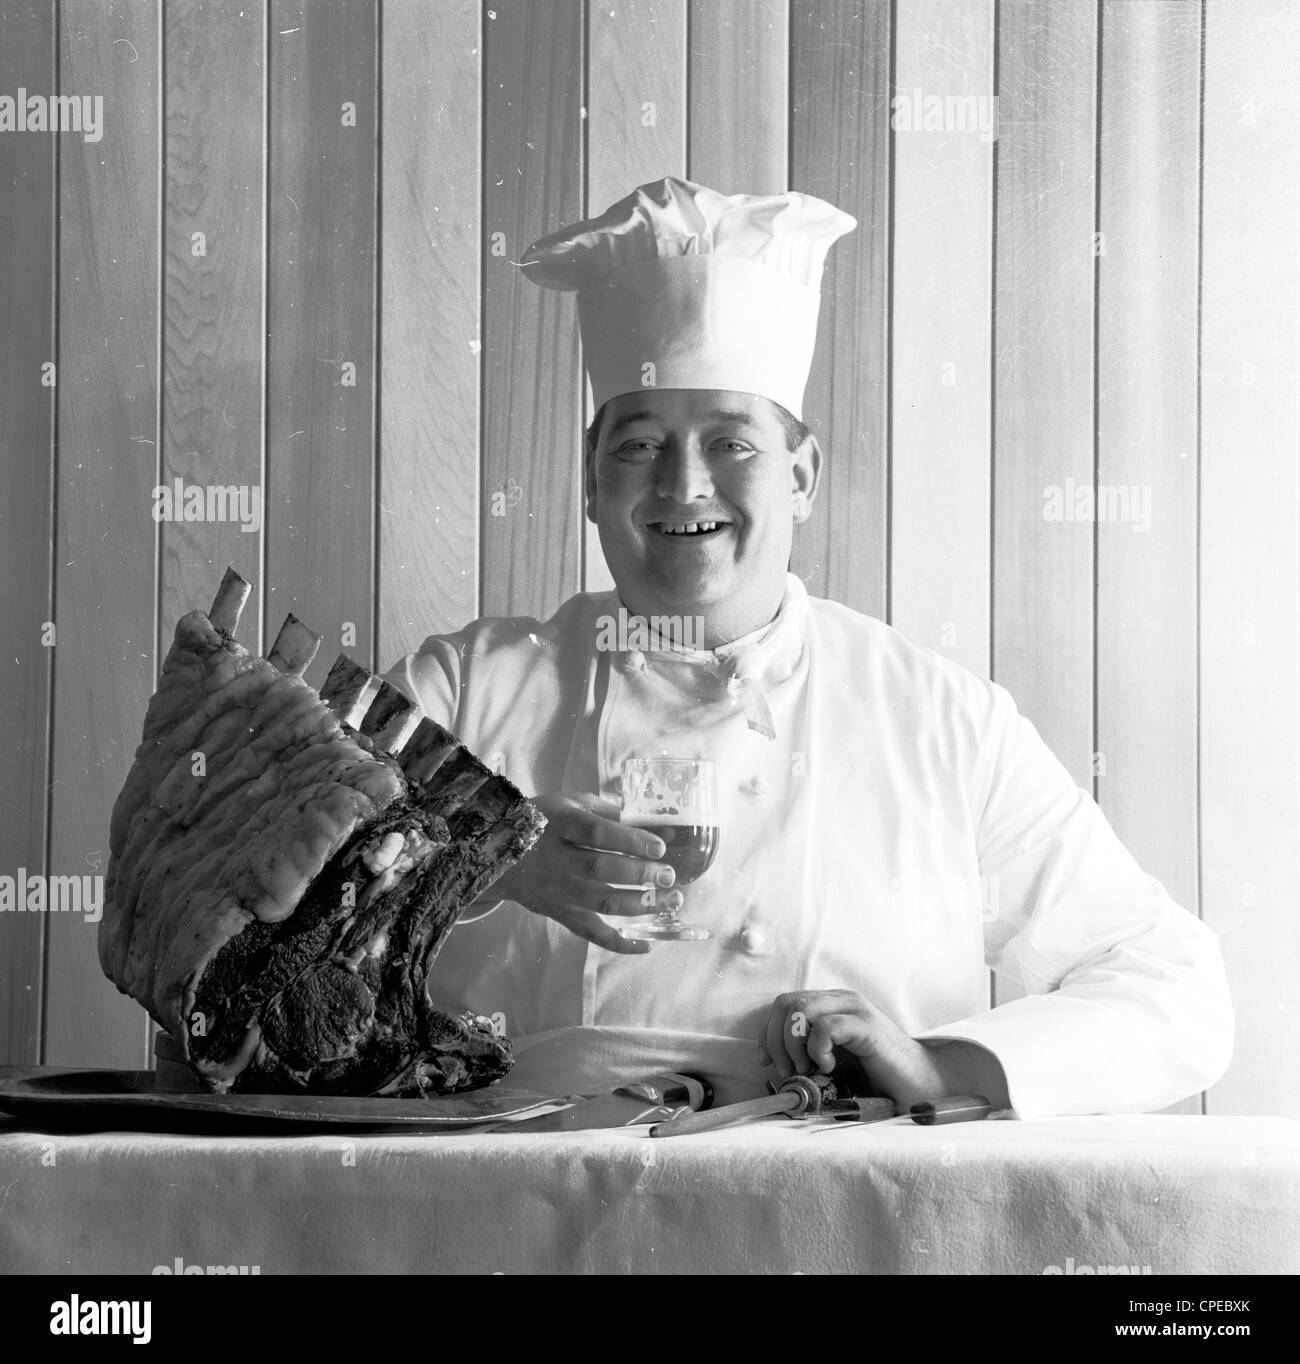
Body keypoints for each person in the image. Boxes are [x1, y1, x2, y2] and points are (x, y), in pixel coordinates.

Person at [384, 177, 1233, 1117]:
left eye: (731, 442)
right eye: (638, 446)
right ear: (591, 479)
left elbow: (1176, 989)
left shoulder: (940, 719)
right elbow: (226, 939)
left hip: (843, 1219)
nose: (683, 484)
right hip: (514, 1214)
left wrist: (941, 1066)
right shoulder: (460, 694)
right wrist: (483, 860)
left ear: (802, 475)